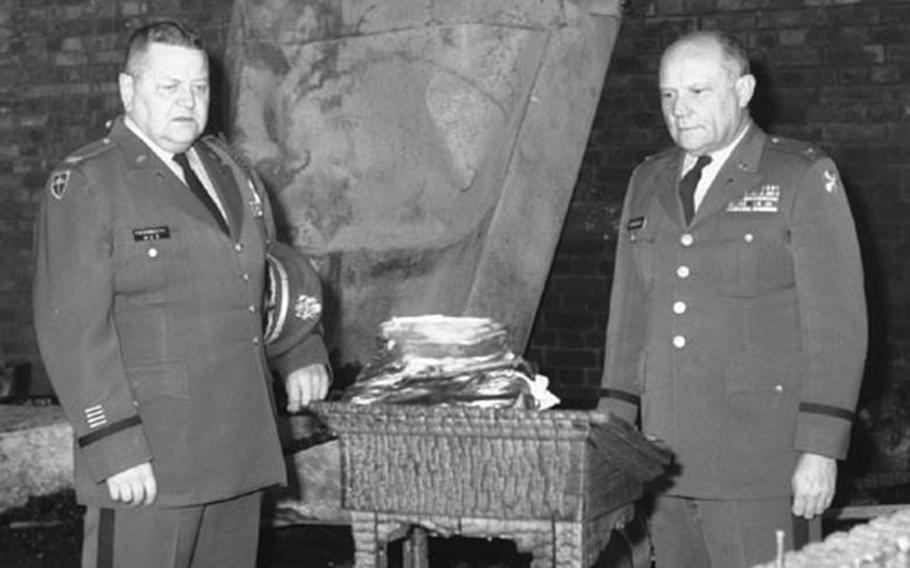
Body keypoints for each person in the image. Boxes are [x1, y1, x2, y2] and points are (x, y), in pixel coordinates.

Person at [32, 20, 331, 568]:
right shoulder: (90, 183)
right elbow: (72, 330)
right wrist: (115, 449)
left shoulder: (231, 171)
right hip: (152, 460)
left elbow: (269, 273)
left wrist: (300, 350)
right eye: (168, 87)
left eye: (198, 87)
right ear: (129, 90)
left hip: (238, 444)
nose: (187, 101)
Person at [598, 30, 867, 567]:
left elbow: (838, 326)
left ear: (743, 90)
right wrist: (613, 435)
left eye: (698, 92)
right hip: (663, 459)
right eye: (668, 95)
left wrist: (820, 448)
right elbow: (628, 318)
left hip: (761, 461)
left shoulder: (800, 176)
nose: (680, 110)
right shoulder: (647, 179)